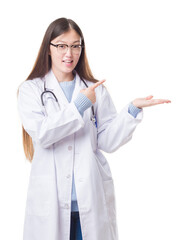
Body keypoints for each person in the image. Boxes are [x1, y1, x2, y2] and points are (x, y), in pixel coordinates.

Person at [17, 17, 171, 240]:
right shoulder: (31, 90)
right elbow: (43, 135)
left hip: (89, 196)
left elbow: (107, 141)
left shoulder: (94, 88)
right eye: (61, 45)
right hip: (50, 200)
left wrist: (132, 110)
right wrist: (79, 105)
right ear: (48, 49)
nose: (68, 53)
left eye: (75, 45)